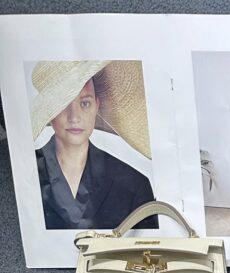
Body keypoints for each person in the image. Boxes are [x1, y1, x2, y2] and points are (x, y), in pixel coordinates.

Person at [30, 60, 159, 231]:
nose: (74, 117)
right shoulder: (26, 174)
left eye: (85, 103)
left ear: (97, 106)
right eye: (64, 104)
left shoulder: (134, 184)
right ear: (49, 112)